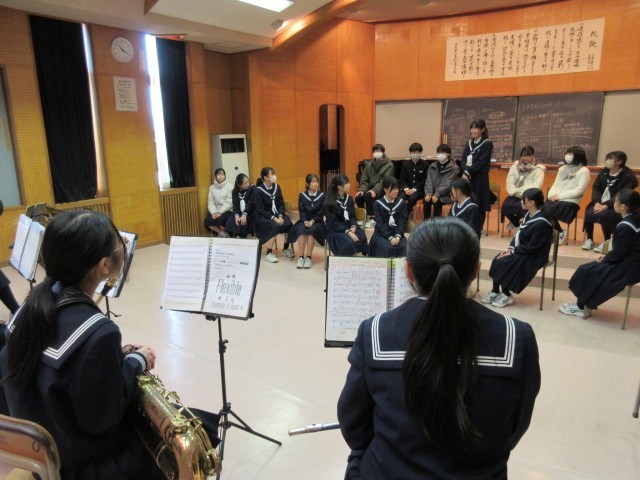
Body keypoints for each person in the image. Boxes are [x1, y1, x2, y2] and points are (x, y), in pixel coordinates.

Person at [337, 217, 540, 479]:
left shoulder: (374, 331)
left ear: (409, 271)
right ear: (475, 271)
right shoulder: (517, 337)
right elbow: (514, 429)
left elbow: (354, 426)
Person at [0, 210, 165, 479]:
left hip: (39, 454)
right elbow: (104, 420)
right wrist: (136, 362)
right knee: (187, 434)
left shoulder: (26, 310)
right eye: (118, 246)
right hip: (80, 465)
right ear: (104, 266)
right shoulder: (100, 333)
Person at [561, 189, 640, 319]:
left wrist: (606, 258)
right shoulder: (634, 219)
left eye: (616, 202)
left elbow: (618, 254)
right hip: (631, 261)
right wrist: (609, 257)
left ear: (623, 207)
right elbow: (623, 250)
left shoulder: (625, 226)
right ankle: (585, 305)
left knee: (588, 271)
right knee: (592, 270)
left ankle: (581, 307)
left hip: (630, 267)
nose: (613, 204)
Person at [482, 188, 553, 308]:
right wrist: (511, 248)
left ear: (531, 203)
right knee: (498, 258)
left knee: (506, 262)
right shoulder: (528, 215)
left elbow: (533, 247)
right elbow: (519, 235)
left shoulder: (541, 223)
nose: (521, 202)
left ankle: (506, 294)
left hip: (535, 255)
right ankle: (495, 291)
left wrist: (513, 251)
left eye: (523, 199)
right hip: (524, 250)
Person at [581, 151, 638, 253]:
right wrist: (597, 202)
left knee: (605, 215)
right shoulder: (603, 172)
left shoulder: (627, 176)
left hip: (616, 204)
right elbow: (596, 187)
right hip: (600, 203)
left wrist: (606, 205)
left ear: (619, 161)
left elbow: (622, 194)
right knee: (589, 211)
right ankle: (589, 239)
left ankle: (606, 241)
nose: (607, 161)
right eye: (607, 158)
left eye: (611, 158)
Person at [544, 146, 590, 245]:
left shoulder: (584, 171)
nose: (567, 156)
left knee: (547, 211)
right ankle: (553, 232)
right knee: (541, 210)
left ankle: (559, 232)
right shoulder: (562, 169)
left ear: (578, 156)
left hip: (570, 201)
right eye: (567, 153)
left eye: (571, 154)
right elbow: (556, 184)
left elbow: (579, 191)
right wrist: (551, 195)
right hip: (556, 198)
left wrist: (559, 196)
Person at [253, 167, 293, 263]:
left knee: (289, 223)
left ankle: (285, 248)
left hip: (277, 214)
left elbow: (281, 203)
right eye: (272, 174)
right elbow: (260, 209)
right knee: (274, 226)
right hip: (264, 217)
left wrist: (280, 215)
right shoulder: (258, 190)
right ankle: (268, 253)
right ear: (265, 177)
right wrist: (274, 218)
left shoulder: (277, 187)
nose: (274, 176)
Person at [502, 146, 545, 231]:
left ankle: (524, 226)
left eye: (528, 155)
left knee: (523, 207)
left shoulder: (538, 169)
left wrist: (522, 193)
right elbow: (509, 181)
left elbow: (536, 186)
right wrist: (514, 192)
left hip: (529, 196)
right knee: (505, 207)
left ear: (532, 156)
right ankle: (517, 223)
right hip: (515, 194)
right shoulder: (515, 166)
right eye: (523, 155)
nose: (525, 158)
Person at [288, 174, 327, 269]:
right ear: (307, 184)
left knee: (311, 232)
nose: (316, 184)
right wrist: (306, 221)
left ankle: (308, 257)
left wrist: (312, 221)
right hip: (304, 220)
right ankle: (301, 257)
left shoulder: (322, 196)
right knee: (301, 231)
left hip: (317, 221)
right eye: (313, 182)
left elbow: (322, 211)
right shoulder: (302, 195)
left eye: (316, 181)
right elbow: (301, 211)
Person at [461, 119, 493, 227]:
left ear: (482, 129)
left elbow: (482, 162)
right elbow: (463, 160)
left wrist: (467, 172)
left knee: (479, 203)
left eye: (476, 128)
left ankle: (479, 228)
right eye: (472, 128)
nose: (473, 131)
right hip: (468, 178)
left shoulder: (487, 143)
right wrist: (465, 171)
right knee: (467, 201)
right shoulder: (469, 144)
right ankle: (466, 225)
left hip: (479, 178)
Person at [325, 174, 368, 256]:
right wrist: (348, 232)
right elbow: (333, 223)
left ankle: (357, 259)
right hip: (336, 229)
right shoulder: (330, 202)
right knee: (348, 242)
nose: (349, 185)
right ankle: (347, 261)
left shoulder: (349, 199)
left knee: (361, 236)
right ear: (339, 187)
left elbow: (352, 216)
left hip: (349, 225)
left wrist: (353, 226)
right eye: (347, 183)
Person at [355, 144, 395, 228]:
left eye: (379, 151)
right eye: (376, 151)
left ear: (383, 153)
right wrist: (362, 189)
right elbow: (364, 179)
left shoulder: (389, 165)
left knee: (368, 195)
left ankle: (372, 218)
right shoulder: (369, 165)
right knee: (358, 197)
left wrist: (374, 190)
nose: (377, 153)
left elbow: (384, 181)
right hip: (369, 188)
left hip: (382, 188)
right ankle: (364, 217)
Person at [368, 176, 408, 258]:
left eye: (397, 188)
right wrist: (390, 238)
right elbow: (380, 223)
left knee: (405, 246)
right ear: (385, 189)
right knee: (388, 247)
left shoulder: (402, 203)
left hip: (397, 233)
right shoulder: (378, 204)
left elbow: (402, 221)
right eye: (393, 189)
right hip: (382, 234)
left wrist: (398, 235)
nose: (396, 191)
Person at [423, 144, 459, 218]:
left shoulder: (454, 168)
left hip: (446, 194)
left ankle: (436, 223)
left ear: (448, 154)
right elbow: (428, 181)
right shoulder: (432, 166)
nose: (439, 155)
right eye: (438, 152)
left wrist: (437, 194)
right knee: (426, 201)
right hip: (432, 193)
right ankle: (426, 222)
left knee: (437, 202)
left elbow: (448, 184)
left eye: (442, 153)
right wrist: (428, 193)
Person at [398, 142, 428, 214]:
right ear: (410, 153)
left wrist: (414, 189)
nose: (415, 154)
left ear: (421, 153)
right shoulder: (405, 164)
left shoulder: (425, 165)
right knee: (400, 198)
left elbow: (424, 181)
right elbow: (402, 179)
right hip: (407, 189)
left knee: (412, 198)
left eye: (418, 152)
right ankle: (399, 215)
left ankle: (405, 215)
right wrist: (406, 189)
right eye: (413, 152)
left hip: (419, 190)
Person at [204, 168, 233, 237]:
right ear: (215, 176)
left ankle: (229, 234)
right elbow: (211, 202)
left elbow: (229, 202)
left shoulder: (230, 186)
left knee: (222, 219)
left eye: (222, 175)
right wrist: (213, 212)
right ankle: (222, 233)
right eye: (219, 174)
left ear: (225, 176)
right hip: (216, 210)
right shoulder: (211, 188)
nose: (221, 176)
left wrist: (220, 212)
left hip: (227, 210)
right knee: (207, 220)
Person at [225, 173, 255, 238]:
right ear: (239, 185)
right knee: (231, 220)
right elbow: (235, 206)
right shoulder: (234, 192)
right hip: (239, 212)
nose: (248, 184)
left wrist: (245, 214)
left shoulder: (253, 188)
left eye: (248, 182)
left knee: (246, 220)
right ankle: (235, 237)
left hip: (250, 212)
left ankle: (246, 236)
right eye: (245, 183)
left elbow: (251, 203)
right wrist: (236, 215)